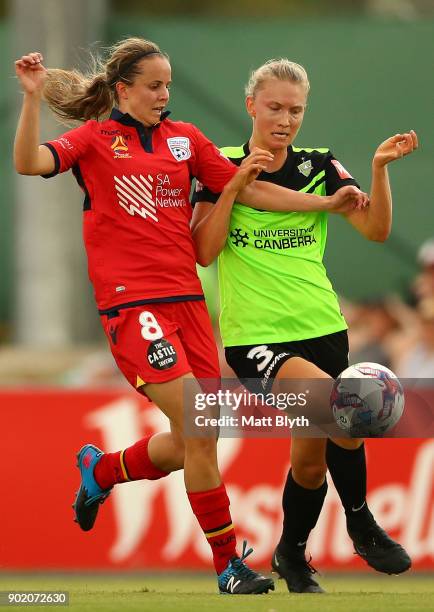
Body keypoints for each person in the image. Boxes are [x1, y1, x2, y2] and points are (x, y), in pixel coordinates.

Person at [13, 39, 363, 594]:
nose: (164, 94)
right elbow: (30, 163)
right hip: (132, 303)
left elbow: (252, 193)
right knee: (204, 428)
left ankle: (100, 471)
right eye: (154, 86)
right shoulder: (97, 139)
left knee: (187, 442)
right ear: (123, 90)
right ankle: (228, 564)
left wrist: (325, 204)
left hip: (189, 305)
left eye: (168, 84)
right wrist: (32, 99)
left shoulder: (187, 141)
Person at [192, 58, 418, 593]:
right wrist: (230, 189)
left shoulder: (321, 164)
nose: (285, 119)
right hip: (258, 338)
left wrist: (379, 170)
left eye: (295, 110)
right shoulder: (220, 164)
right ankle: (361, 523)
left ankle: (291, 555)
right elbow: (204, 250)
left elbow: (376, 230)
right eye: (274, 107)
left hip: (323, 328)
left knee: (311, 463)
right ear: (251, 105)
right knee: (340, 405)